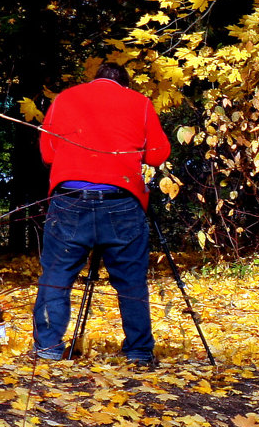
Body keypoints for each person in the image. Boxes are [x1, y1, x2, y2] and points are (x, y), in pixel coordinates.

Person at [32, 62, 171, 364]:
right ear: (125, 84)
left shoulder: (65, 98)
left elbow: (47, 153)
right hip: (121, 199)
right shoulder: (140, 103)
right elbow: (158, 154)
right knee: (130, 278)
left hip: (70, 199)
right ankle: (138, 351)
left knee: (56, 274)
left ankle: (47, 347)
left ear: (95, 80)